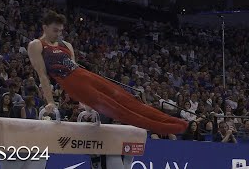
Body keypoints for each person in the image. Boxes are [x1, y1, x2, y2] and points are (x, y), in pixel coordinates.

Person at [27, 10, 188, 134]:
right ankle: (167, 128)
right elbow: (42, 75)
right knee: (121, 111)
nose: (59, 34)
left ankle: (175, 121)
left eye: (61, 30)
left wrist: (85, 103)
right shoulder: (37, 45)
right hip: (74, 85)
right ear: (44, 27)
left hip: (86, 76)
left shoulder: (66, 45)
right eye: (55, 30)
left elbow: (75, 66)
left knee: (129, 100)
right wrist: (50, 102)